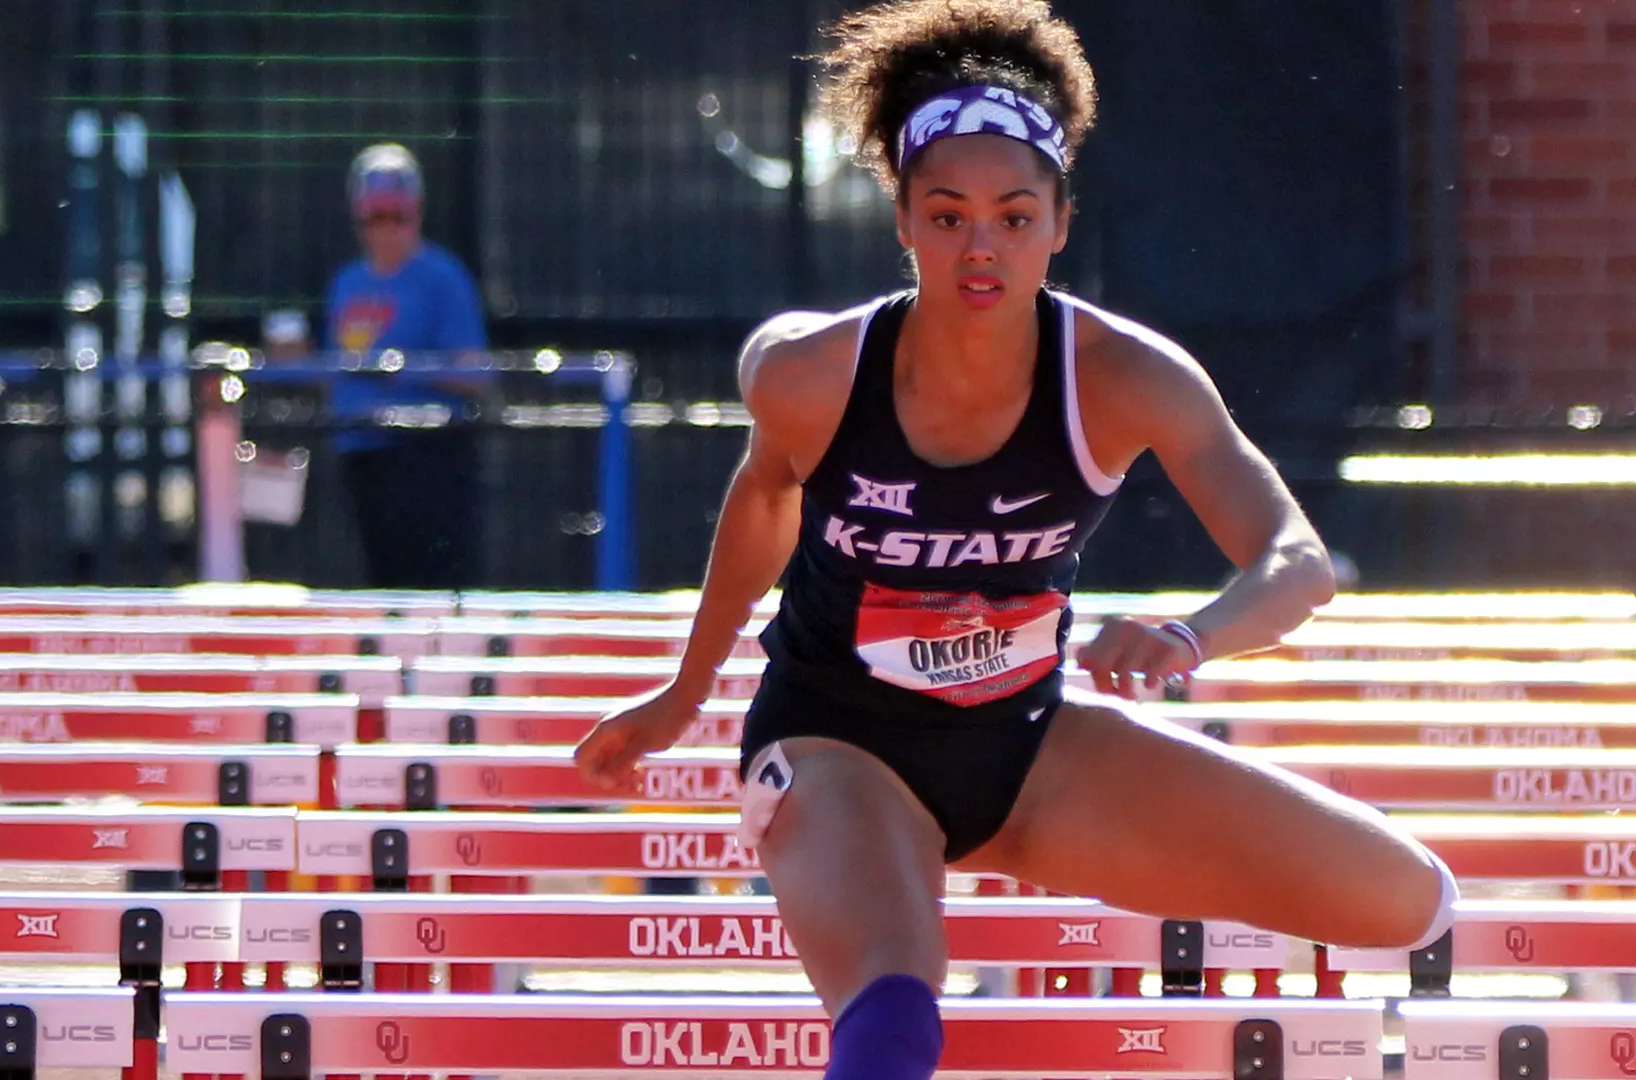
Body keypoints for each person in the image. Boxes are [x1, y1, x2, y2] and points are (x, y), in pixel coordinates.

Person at [575, 3, 1456, 1077]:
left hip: (1024, 747)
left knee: (1408, 896)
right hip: (837, 741)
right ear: (901, 222)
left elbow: (1296, 558)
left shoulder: (1128, 376)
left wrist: (1190, 635)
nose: (981, 246)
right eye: (947, 217)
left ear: (1061, 222)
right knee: (897, 1008)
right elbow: (766, 499)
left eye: (1013, 215)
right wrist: (684, 689)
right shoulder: (812, 376)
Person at [321, 143, 490, 587]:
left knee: (430, 581)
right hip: (362, 453)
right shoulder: (347, 282)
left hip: (426, 454)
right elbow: (335, 366)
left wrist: (403, 370)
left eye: (398, 217)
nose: (387, 231)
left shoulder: (443, 277)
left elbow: (474, 373)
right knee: (378, 579)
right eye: (375, 218)